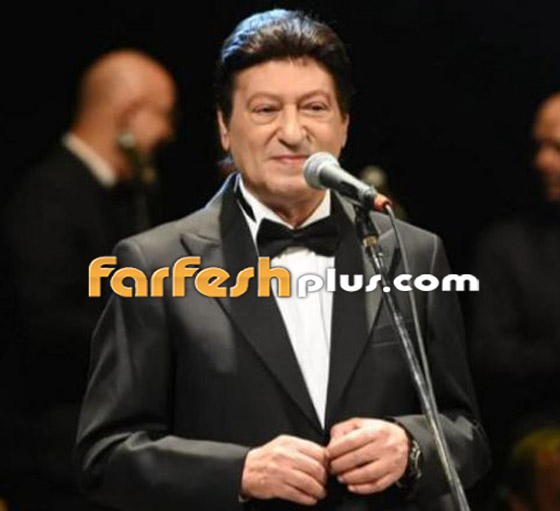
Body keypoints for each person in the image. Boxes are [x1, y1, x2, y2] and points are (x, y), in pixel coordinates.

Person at [76, 10, 489, 510]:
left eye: (314, 107)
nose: (292, 132)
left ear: (344, 125)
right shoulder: (152, 265)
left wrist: (412, 449)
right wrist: (238, 472)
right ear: (224, 127)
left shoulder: (413, 253)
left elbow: (466, 432)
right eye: (266, 110)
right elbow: (106, 457)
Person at [1, 49, 176, 510]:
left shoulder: (117, 197)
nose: (168, 132)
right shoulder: (48, 196)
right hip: (54, 456)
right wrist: (154, 332)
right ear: (128, 114)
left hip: (95, 449)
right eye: (162, 115)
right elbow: (45, 324)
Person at [471, 92, 560, 490]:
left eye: (557, 148)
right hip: (539, 431)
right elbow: (491, 356)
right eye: (539, 146)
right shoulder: (506, 246)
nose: (543, 161)